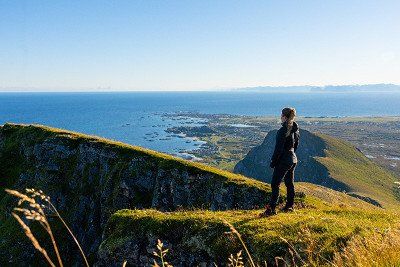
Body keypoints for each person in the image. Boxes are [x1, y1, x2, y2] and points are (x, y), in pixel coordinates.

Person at [260, 107, 299, 217]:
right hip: (293, 159)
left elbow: (278, 149)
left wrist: (273, 162)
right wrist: (291, 155)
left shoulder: (282, 131)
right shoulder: (295, 129)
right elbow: (296, 145)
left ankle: (271, 209)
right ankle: (289, 206)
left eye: (281, 115)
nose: (280, 117)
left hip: (284, 161)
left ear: (285, 117)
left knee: (275, 184)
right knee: (289, 184)